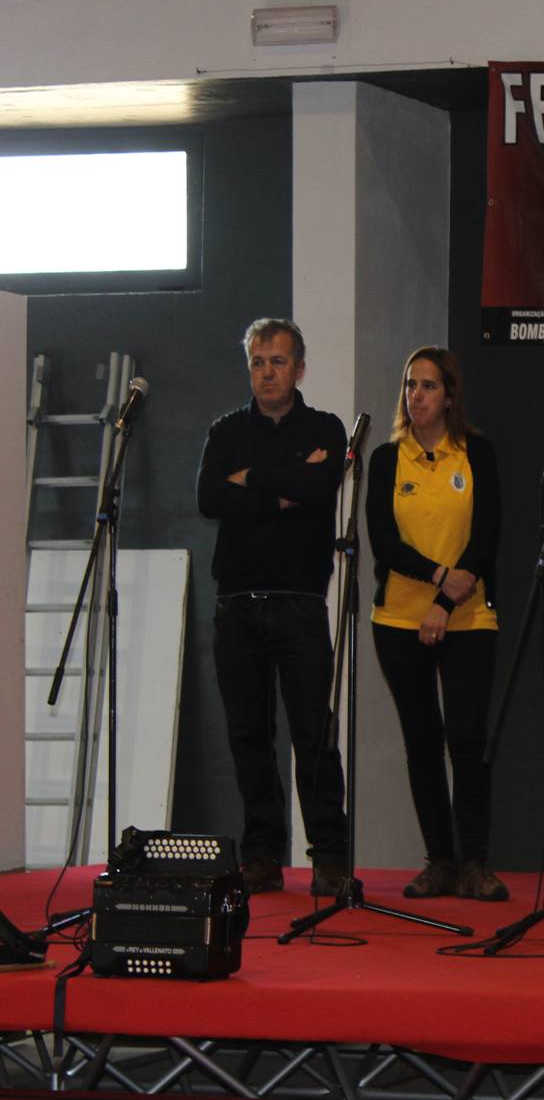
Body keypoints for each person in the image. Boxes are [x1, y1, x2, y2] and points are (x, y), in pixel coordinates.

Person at [196, 318, 349, 896]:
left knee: (313, 734)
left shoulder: (326, 428)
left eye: (278, 362)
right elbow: (209, 497)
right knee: (248, 734)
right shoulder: (225, 429)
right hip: (236, 603)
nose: (267, 373)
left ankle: (329, 856)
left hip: (299, 604)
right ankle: (262, 853)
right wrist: (279, 489)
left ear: (299, 369)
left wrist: (250, 479)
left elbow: (317, 489)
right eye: (258, 362)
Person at [367, 347, 506, 901]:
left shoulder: (477, 452)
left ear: (449, 396)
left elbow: (487, 536)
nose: (417, 395)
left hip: (469, 618)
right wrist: (438, 577)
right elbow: (383, 541)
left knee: (467, 738)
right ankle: (440, 862)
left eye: (428, 386)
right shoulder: (386, 459)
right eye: (410, 385)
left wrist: (445, 603)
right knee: (421, 741)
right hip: (398, 619)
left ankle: (475, 863)